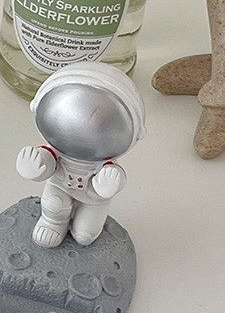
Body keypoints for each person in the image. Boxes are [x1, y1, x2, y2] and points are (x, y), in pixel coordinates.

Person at [17, 63, 146, 247]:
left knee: (84, 234)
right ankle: (53, 223)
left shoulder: (105, 159)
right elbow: (48, 162)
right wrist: (35, 167)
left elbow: (115, 177)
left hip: (93, 198)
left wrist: (109, 184)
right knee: (53, 205)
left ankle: (83, 226)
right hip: (59, 186)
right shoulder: (57, 148)